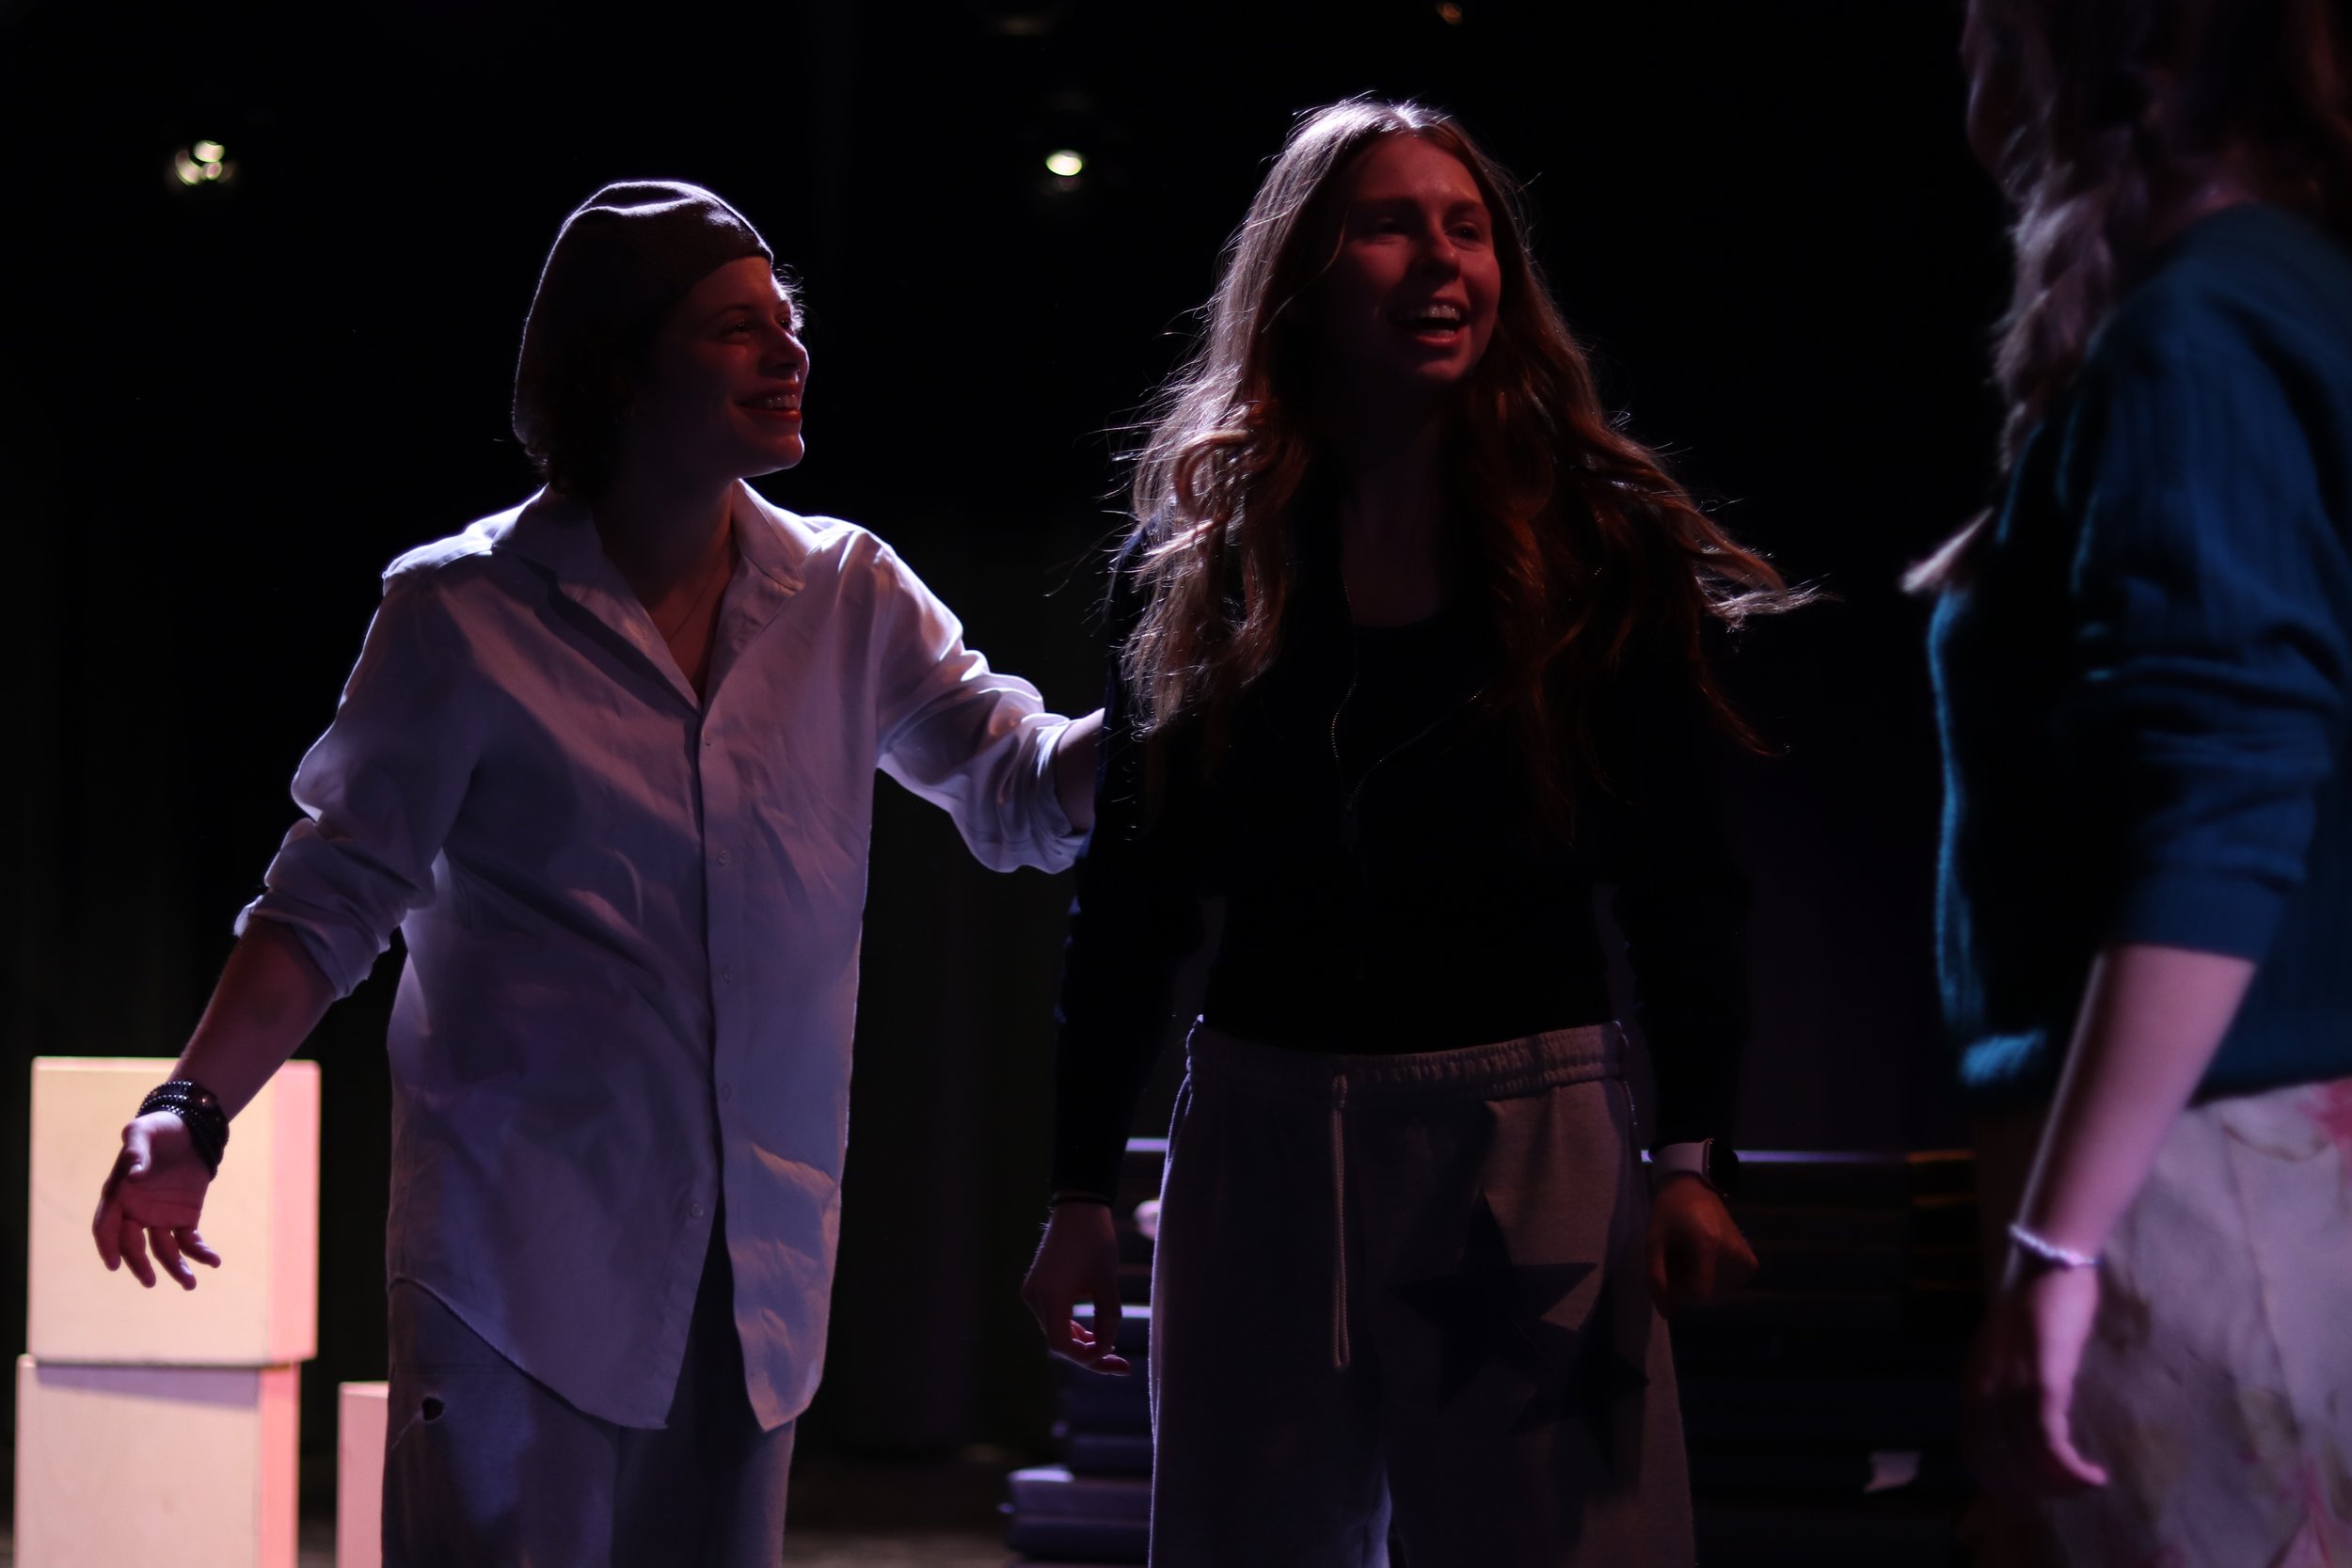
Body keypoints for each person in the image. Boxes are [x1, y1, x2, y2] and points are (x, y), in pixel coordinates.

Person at [87, 181, 1103, 1566]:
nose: (788, 354)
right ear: (618, 369)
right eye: (735, 332)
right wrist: (193, 1107)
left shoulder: (850, 595)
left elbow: (1024, 789)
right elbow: (327, 900)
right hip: (516, 1275)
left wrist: (1182, 710)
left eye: (788, 326)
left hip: (756, 1286)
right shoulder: (460, 610)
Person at [1021, 100, 1798, 1567]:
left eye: (1468, 226)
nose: (1442, 260)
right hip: (1258, 1135)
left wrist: (1690, 1161)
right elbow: (1130, 898)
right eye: (1391, 224)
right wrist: (1074, 1191)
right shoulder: (1201, 561)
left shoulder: (1593, 543)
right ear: (1304, 274)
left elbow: (1684, 882)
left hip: (1526, 1131)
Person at [1917, 3, 2352, 1560]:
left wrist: (2058, 1242)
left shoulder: (2202, 332)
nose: (1964, 63)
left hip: (2210, 1179)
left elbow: (2229, 790)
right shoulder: (2285, 297)